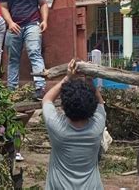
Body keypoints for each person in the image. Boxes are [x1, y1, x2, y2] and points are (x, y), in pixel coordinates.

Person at [42, 59, 106, 190]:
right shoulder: (97, 127)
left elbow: (47, 99)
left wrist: (67, 77)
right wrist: (89, 79)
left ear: (64, 106)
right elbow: (100, 102)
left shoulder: (57, 128)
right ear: (91, 106)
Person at [0, 0, 48, 99]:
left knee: (34, 53)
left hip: (32, 24)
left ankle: (40, 88)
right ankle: (12, 90)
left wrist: (45, 20)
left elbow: (43, 4)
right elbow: (3, 7)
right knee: (13, 59)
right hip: (15, 26)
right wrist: (10, 22)